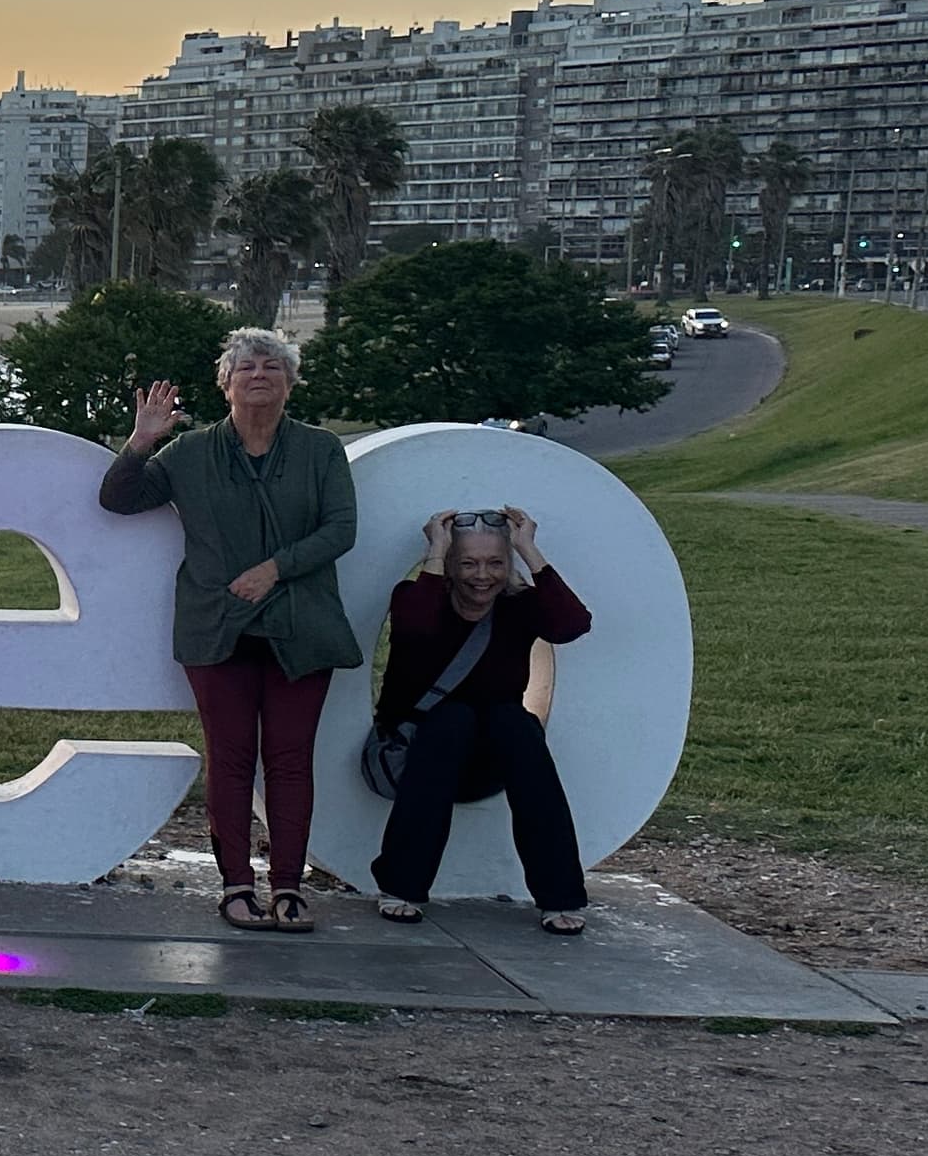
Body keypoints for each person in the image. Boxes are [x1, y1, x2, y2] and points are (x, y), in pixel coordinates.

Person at [98, 327, 362, 933]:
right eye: (246, 368)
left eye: (273, 366)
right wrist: (141, 441)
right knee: (231, 760)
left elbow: (340, 529)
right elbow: (120, 499)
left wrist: (275, 570)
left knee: (291, 761)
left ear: (291, 382)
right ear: (226, 384)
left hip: (300, 629)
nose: (259, 374)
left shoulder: (322, 450)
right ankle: (236, 886)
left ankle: (290, 887)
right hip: (218, 629)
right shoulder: (190, 452)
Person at [370, 507, 593, 933]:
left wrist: (528, 548)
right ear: (449, 566)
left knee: (516, 723)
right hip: (419, 751)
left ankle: (559, 894)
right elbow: (415, 628)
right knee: (452, 719)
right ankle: (403, 885)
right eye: (468, 563)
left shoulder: (518, 606)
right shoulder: (417, 598)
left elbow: (571, 624)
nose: (482, 576)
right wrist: (436, 549)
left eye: (495, 563)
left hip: (494, 757)